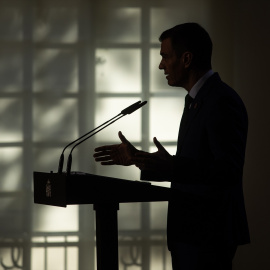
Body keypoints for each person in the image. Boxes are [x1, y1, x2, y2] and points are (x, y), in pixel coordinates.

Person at [93, 23, 250, 270]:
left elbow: (227, 171)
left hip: (207, 237)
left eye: (165, 56)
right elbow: (196, 164)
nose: (161, 65)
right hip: (190, 234)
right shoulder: (196, 100)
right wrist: (140, 159)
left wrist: (172, 165)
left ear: (186, 59)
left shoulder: (221, 101)